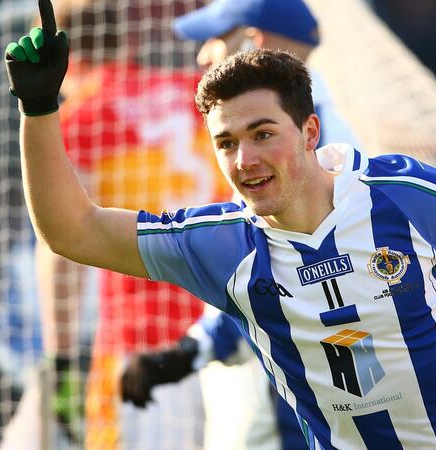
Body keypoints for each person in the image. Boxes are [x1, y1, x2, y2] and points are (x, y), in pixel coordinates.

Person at [4, 2, 436, 448]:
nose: (244, 160)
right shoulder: (224, 242)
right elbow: (72, 233)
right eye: (225, 143)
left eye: (262, 135)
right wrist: (38, 109)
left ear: (309, 132)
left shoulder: (405, 195)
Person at [119, 1, 360, 449]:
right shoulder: (308, 132)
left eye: (215, 39)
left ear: (254, 42)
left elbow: (276, 278)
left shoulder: (294, 160)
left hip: (286, 392)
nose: (203, 55)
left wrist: (193, 350)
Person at [1, 0, 229, 448]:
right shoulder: (195, 94)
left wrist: (61, 361)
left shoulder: (83, 117)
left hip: (142, 350)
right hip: (231, 328)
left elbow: (59, 247)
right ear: (126, 41)